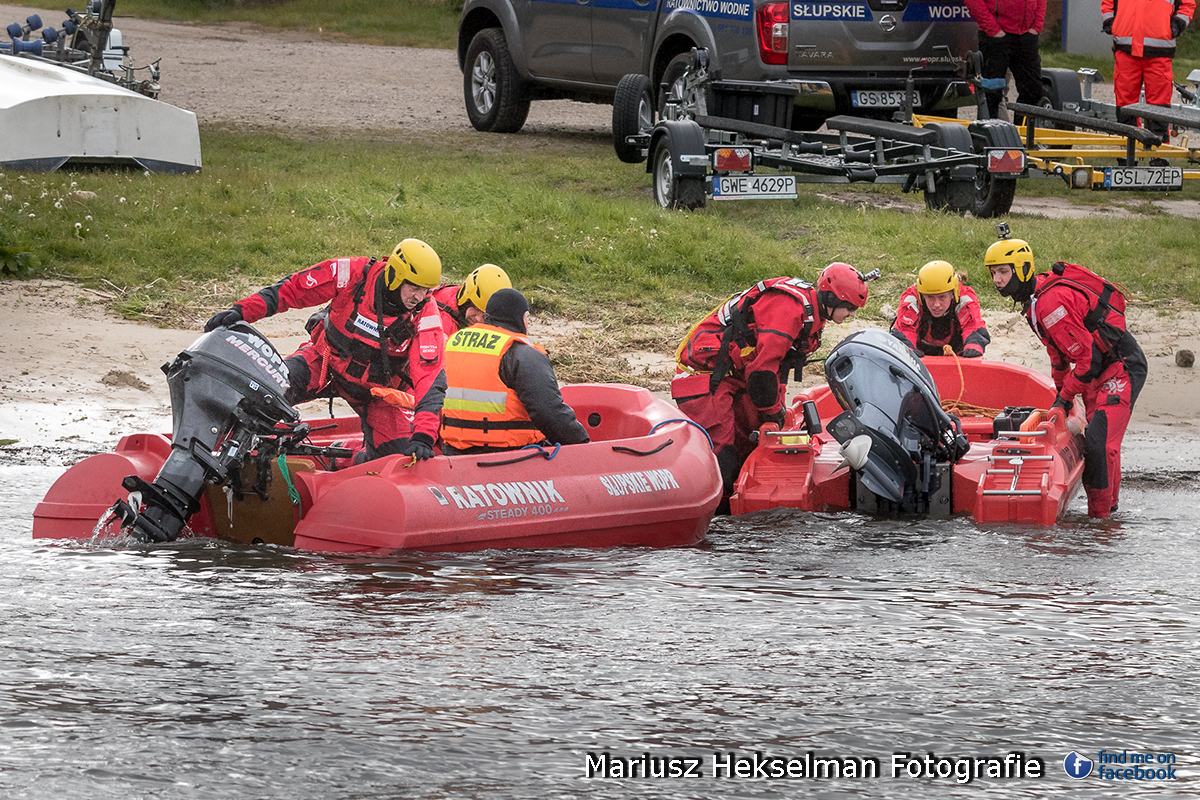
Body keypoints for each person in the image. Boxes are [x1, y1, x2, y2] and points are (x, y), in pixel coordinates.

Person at [204, 239, 448, 463]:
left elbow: (430, 376)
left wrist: (424, 434)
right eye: (414, 287)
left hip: (376, 391)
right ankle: (216, 448)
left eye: (426, 289)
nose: (420, 296)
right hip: (324, 364)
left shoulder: (425, 313)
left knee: (397, 457)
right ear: (395, 275)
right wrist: (241, 312)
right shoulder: (351, 274)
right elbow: (292, 290)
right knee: (263, 395)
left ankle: (346, 456)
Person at [671, 263, 876, 511]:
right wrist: (774, 411)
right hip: (705, 375)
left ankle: (735, 520)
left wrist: (777, 412)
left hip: (736, 375)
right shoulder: (788, 308)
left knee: (751, 446)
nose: (852, 314)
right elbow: (761, 372)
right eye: (850, 307)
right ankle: (712, 520)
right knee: (724, 455)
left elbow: (777, 368)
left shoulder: (812, 315)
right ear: (832, 298)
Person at [985, 232, 1147, 519]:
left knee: (1099, 445)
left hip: (1121, 366)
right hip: (1098, 370)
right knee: (1102, 441)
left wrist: (1064, 397)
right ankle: (1108, 511)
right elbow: (1057, 354)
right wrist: (1062, 398)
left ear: (1022, 270)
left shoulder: (1049, 305)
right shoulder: (1034, 305)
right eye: (993, 273)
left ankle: (1100, 523)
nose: (998, 280)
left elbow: (1087, 360)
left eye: (1003, 272)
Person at [440, 288, 589, 455]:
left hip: (453, 453)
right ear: (522, 319)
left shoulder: (455, 342)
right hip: (507, 455)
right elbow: (549, 413)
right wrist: (583, 446)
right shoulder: (520, 352)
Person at [1102, 0, 1195, 143]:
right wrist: (1110, 21)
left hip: (1159, 53)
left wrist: (1176, 25)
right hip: (1127, 50)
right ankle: (1127, 152)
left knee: (1159, 107)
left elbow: (1187, 4)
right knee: (1125, 105)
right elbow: (1107, 2)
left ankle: (1158, 155)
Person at [963, 0, 1046, 123]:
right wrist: (992, 29)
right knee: (991, 94)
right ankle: (990, 139)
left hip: (1026, 36)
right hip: (995, 37)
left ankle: (1023, 138)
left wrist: (1037, 26)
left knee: (1033, 91)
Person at [891, 260, 991, 358]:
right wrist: (907, 351)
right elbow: (904, 330)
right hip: (919, 354)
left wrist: (973, 347)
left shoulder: (965, 298)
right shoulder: (911, 299)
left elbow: (974, 326)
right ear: (921, 294)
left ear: (953, 293)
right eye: (930, 297)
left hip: (957, 354)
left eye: (942, 297)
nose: (936, 304)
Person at [431, 263, 512, 336]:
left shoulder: (466, 293)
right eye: (476, 309)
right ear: (465, 300)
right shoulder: (442, 324)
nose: (478, 319)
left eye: (485, 316)